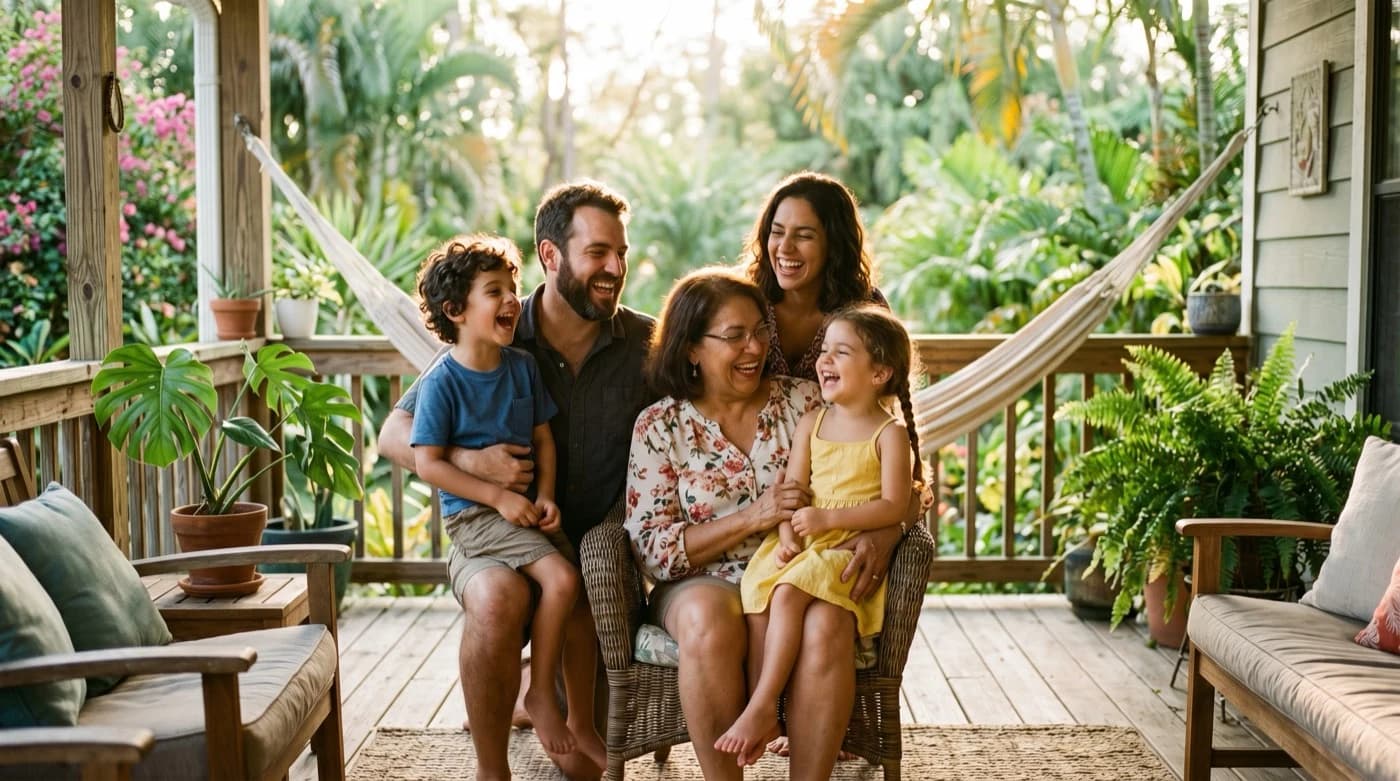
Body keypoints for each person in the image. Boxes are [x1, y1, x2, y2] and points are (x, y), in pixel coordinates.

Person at [378, 180, 653, 781]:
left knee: (584, 772)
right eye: (598, 253)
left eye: (621, 253)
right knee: (500, 598)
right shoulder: (494, 334)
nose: (615, 268)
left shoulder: (643, 346)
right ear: (551, 257)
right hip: (492, 530)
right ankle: (491, 766)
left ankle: (541, 686)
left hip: (593, 553)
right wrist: (473, 465)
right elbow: (392, 435)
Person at [624, 268, 857, 781]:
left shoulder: (806, 403)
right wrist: (755, 515)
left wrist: (881, 531)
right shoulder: (661, 426)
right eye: (734, 336)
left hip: (797, 570)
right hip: (699, 581)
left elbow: (878, 468)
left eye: (760, 330)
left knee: (829, 622)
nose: (754, 347)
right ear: (691, 349)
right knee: (710, 621)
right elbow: (652, 548)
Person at [407, 234, 599, 766]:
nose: (512, 300)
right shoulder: (441, 382)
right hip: (475, 517)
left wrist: (545, 496)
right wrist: (495, 494)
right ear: (455, 311)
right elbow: (428, 462)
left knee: (576, 594)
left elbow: (542, 439)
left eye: (513, 288)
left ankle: (577, 719)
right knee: (560, 580)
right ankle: (537, 692)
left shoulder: (520, 366)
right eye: (495, 291)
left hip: (523, 512)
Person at [744, 170, 913, 758]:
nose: (785, 249)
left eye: (805, 236)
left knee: (824, 615)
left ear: (834, 242)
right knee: (778, 594)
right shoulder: (747, 304)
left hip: (843, 514)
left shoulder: (864, 315)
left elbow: (903, 437)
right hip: (768, 512)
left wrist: (886, 529)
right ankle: (772, 712)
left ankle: (811, 725)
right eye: (777, 232)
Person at [714, 304, 924, 767]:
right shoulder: (813, 423)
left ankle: (763, 705)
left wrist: (826, 522)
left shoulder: (889, 435)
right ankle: (777, 709)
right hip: (806, 542)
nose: (825, 361)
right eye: (824, 350)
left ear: (879, 373)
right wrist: (787, 534)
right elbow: (792, 492)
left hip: (845, 549)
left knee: (787, 593)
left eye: (841, 352)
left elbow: (893, 504)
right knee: (759, 590)